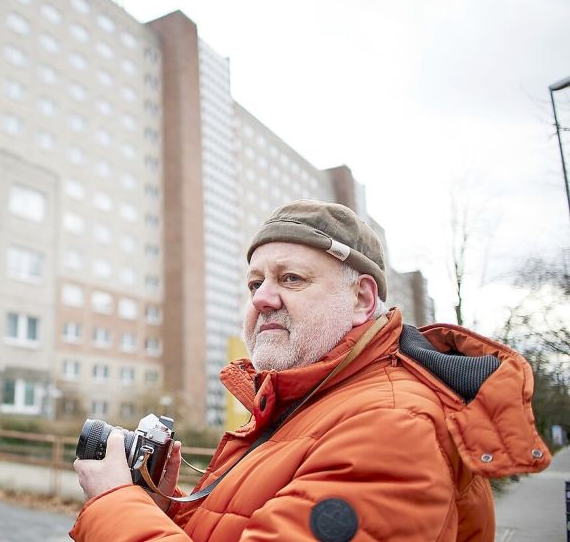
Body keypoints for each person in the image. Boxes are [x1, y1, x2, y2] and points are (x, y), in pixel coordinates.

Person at [71, 200, 551, 542]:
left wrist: (115, 505)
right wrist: (162, 508)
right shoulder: (302, 406)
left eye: (291, 279)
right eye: (255, 282)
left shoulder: (392, 424)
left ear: (362, 299)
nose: (261, 297)